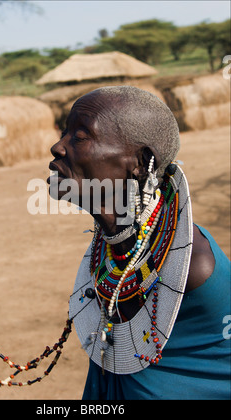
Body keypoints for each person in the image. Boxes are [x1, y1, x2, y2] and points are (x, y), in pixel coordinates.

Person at [48, 86, 231, 400]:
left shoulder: (194, 268)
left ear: (140, 161)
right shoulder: (114, 249)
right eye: (64, 132)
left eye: (79, 136)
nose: (57, 147)